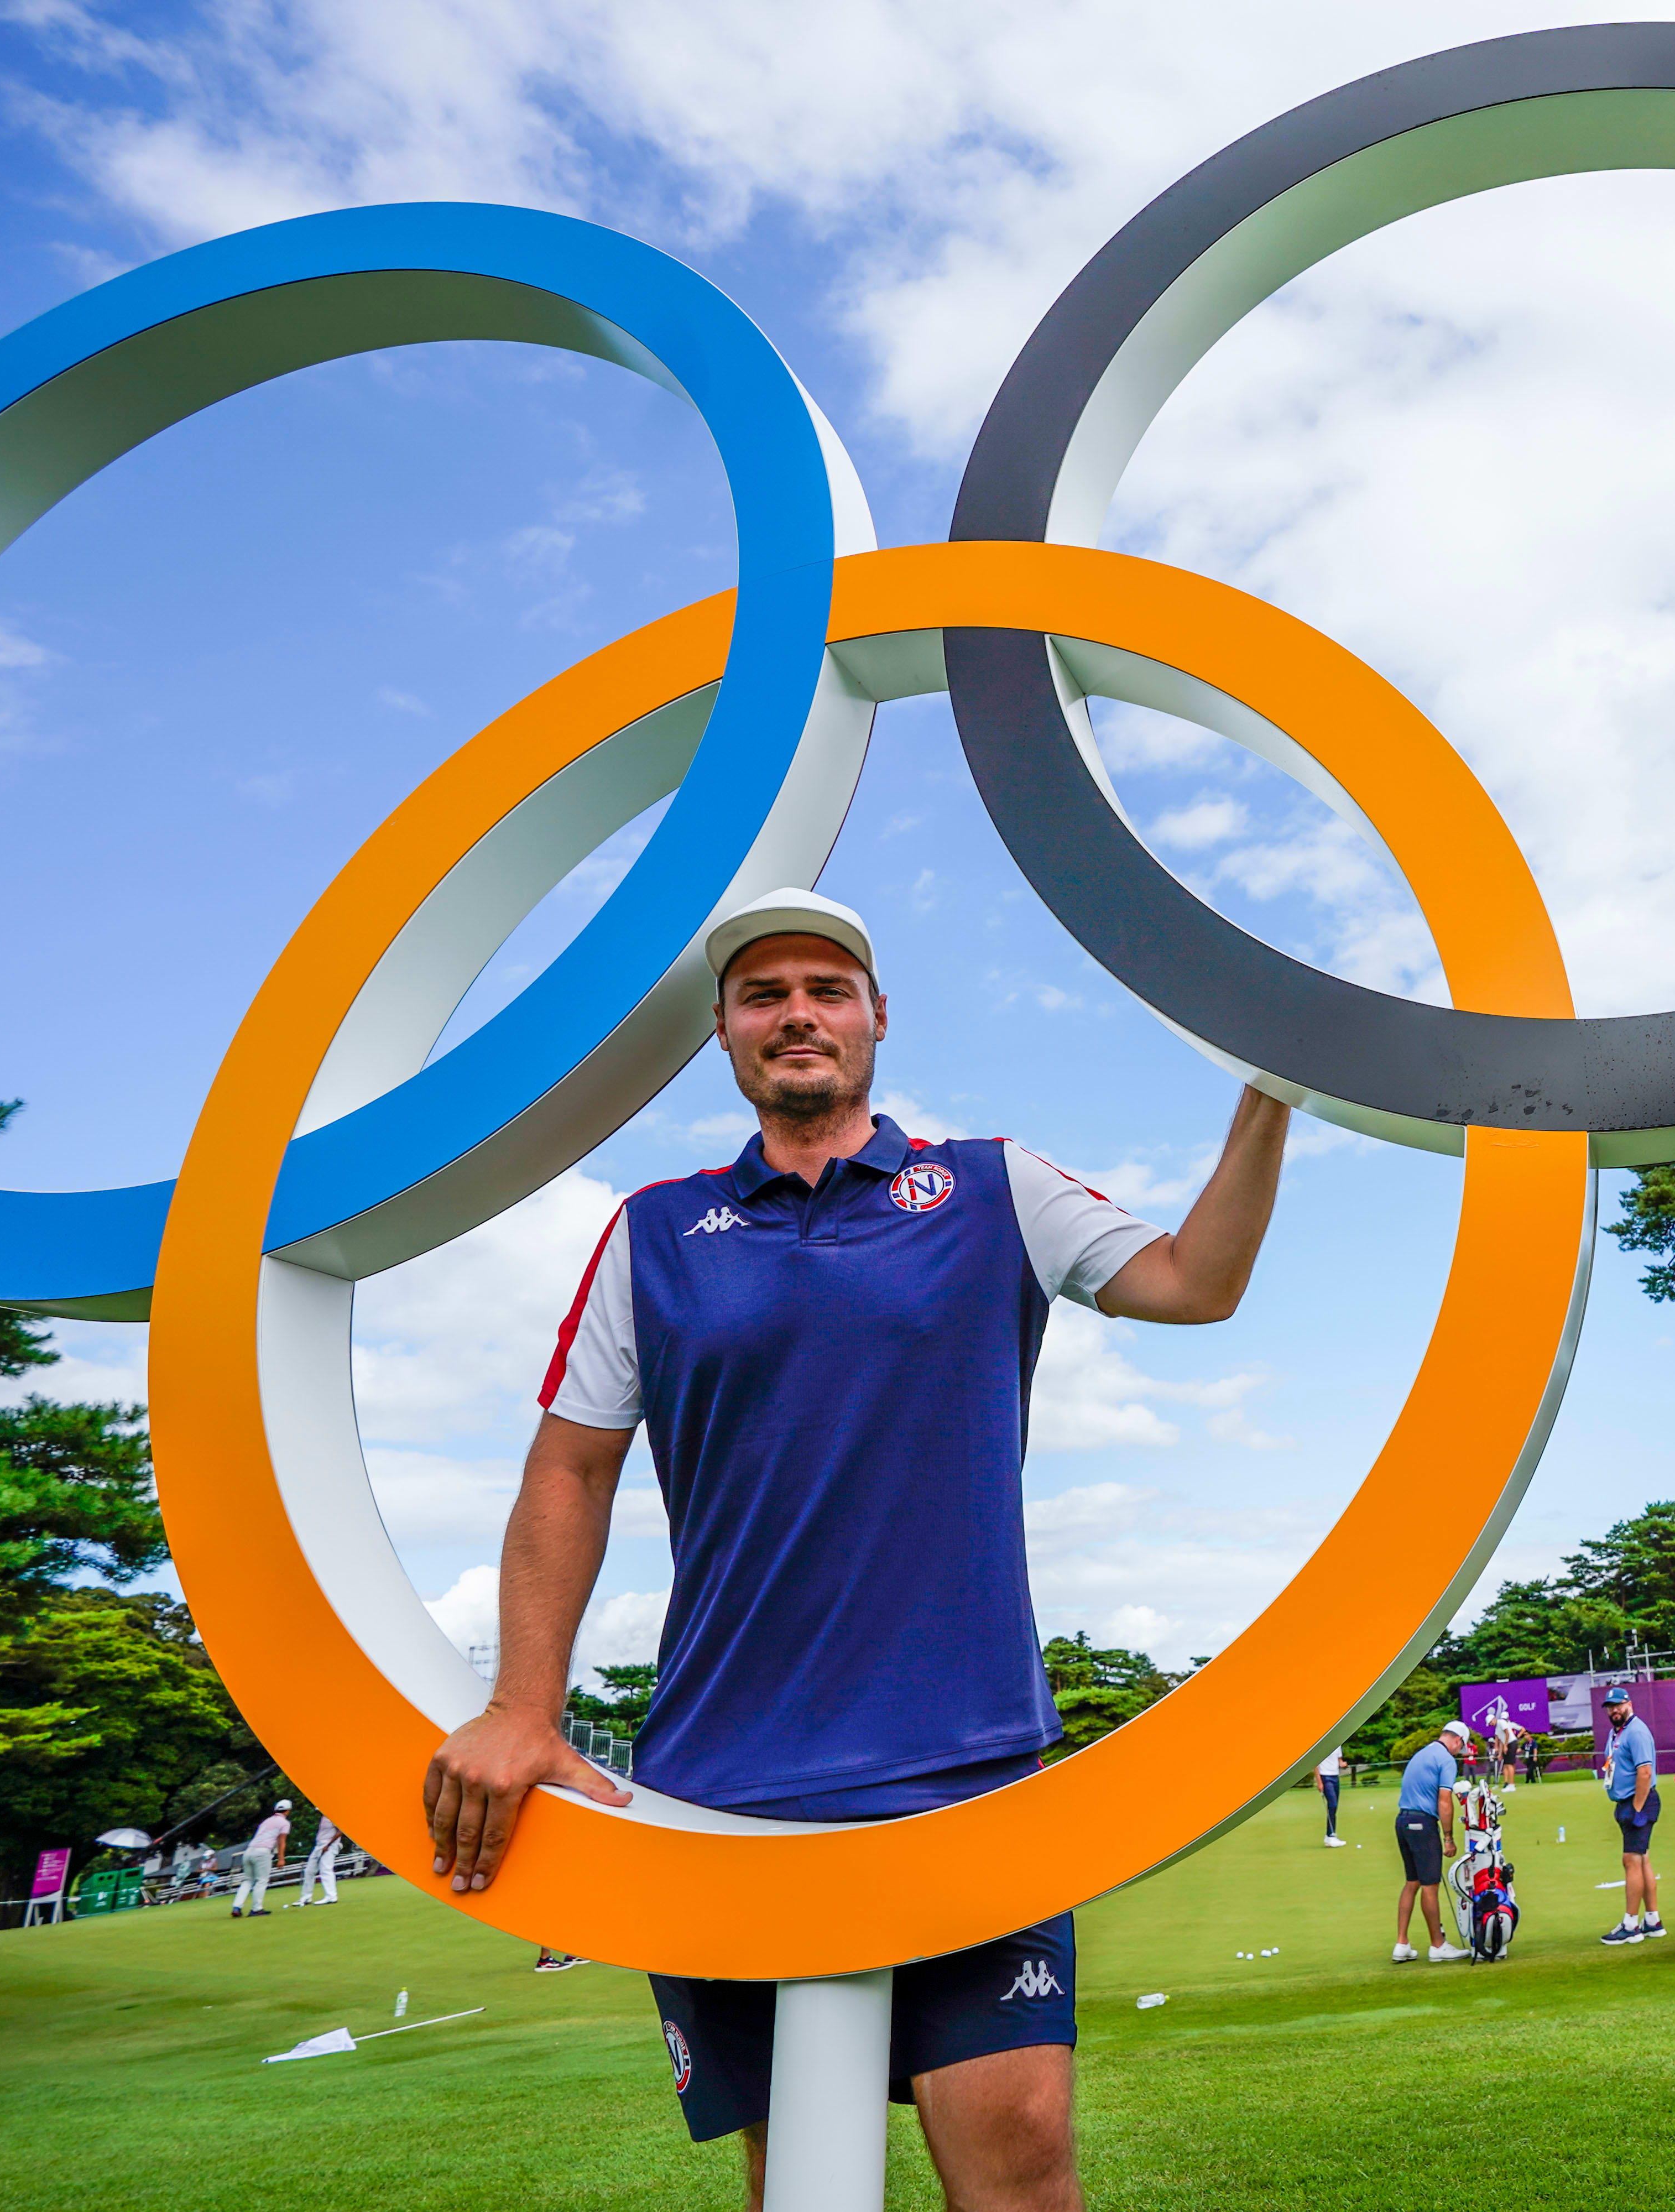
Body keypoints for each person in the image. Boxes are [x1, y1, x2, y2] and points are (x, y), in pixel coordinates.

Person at [420, 888, 1290, 2212]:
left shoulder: (994, 1186)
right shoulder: (654, 1230)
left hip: (965, 1770)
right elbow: (568, 1468)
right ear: (725, 1030)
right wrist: (523, 1707)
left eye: (826, 988)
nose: (798, 1014)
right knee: (805, 2183)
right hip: (724, 1791)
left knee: (1021, 2167)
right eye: (763, 994)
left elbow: (1194, 1282)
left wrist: (1271, 1090)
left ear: (877, 1016)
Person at [1392, 1721, 1469, 1964]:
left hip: (1403, 1822)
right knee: (1430, 1885)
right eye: (1460, 1747)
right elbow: (1444, 1801)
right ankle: (1438, 1946)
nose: (1458, 1752)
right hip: (1422, 1824)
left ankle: (1402, 1944)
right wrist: (1449, 1838)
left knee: (1412, 1882)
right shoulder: (1446, 1760)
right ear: (1457, 1740)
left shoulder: (1422, 1753)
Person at [1598, 1684, 1665, 1944]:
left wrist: (1637, 1808)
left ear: (1629, 1705)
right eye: (1610, 1707)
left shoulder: (1636, 1731)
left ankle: (1631, 1925)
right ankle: (1653, 1921)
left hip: (1639, 1802)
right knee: (1642, 1859)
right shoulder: (1617, 1732)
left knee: (1632, 1860)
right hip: (1628, 1802)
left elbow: (1645, 1772)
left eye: (1619, 1705)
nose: (1614, 1710)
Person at [229, 1799, 290, 1918]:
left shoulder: (266, 1821)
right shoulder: (284, 1823)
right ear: (288, 1811)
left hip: (249, 1851)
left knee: (248, 1881)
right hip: (263, 1852)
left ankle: (237, 1907)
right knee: (262, 1881)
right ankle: (256, 1909)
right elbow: (281, 1842)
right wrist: (281, 1859)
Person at [288, 1812, 343, 1908]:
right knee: (309, 1871)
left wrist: (328, 1845)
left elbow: (340, 1831)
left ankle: (331, 1896)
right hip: (319, 1846)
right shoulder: (324, 1817)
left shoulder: (334, 1816)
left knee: (326, 1869)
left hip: (330, 1846)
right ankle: (306, 1897)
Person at [1317, 1747, 1348, 1848]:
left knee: (1334, 1807)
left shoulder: (1338, 1745)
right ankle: (1331, 1836)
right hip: (1325, 1777)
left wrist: (1342, 1764)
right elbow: (1316, 1765)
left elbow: (1339, 1760)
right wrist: (1319, 1782)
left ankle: (1329, 1836)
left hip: (1335, 1777)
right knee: (1332, 1805)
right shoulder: (1322, 1744)